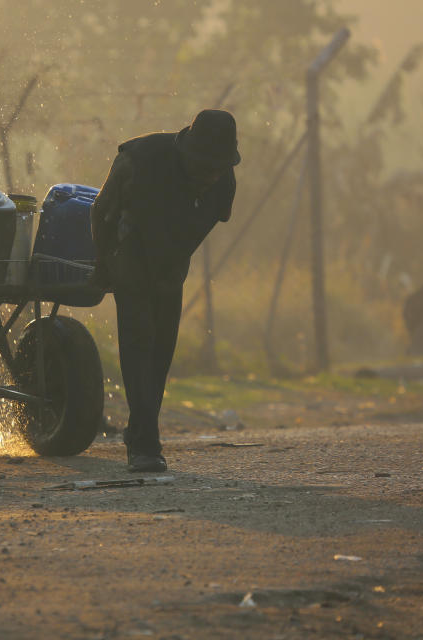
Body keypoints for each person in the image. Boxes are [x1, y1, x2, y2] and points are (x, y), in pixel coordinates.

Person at [90, 109, 241, 472]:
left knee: (162, 351)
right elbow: (99, 212)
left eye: (218, 168)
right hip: (128, 246)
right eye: (204, 167)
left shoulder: (223, 183)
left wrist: (172, 263)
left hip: (171, 261)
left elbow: (200, 227)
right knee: (139, 339)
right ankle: (145, 445)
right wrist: (104, 265)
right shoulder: (138, 161)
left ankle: (140, 430)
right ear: (186, 153)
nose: (210, 176)